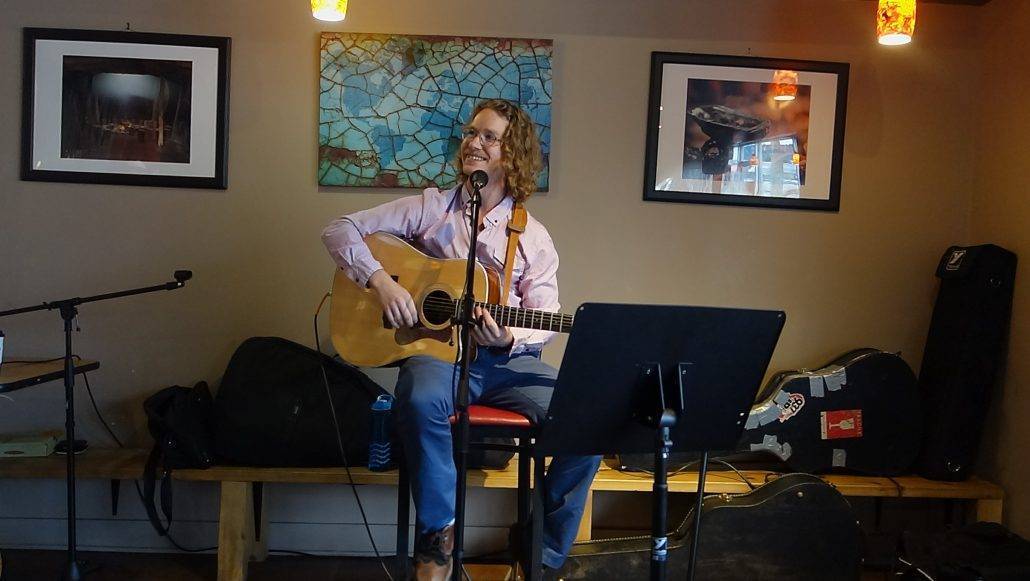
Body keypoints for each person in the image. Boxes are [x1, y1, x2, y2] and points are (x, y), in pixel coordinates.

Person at [322, 99, 600, 581]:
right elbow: (339, 229)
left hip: (507, 363)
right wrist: (381, 282)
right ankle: (438, 537)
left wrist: (507, 335)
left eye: (489, 137)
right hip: (439, 357)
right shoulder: (431, 208)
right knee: (419, 399)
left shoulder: (533, 237)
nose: (473, 142)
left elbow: (545, 315)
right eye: (471, 133)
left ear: (512, 153)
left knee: (590, 421)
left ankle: (542, 549)